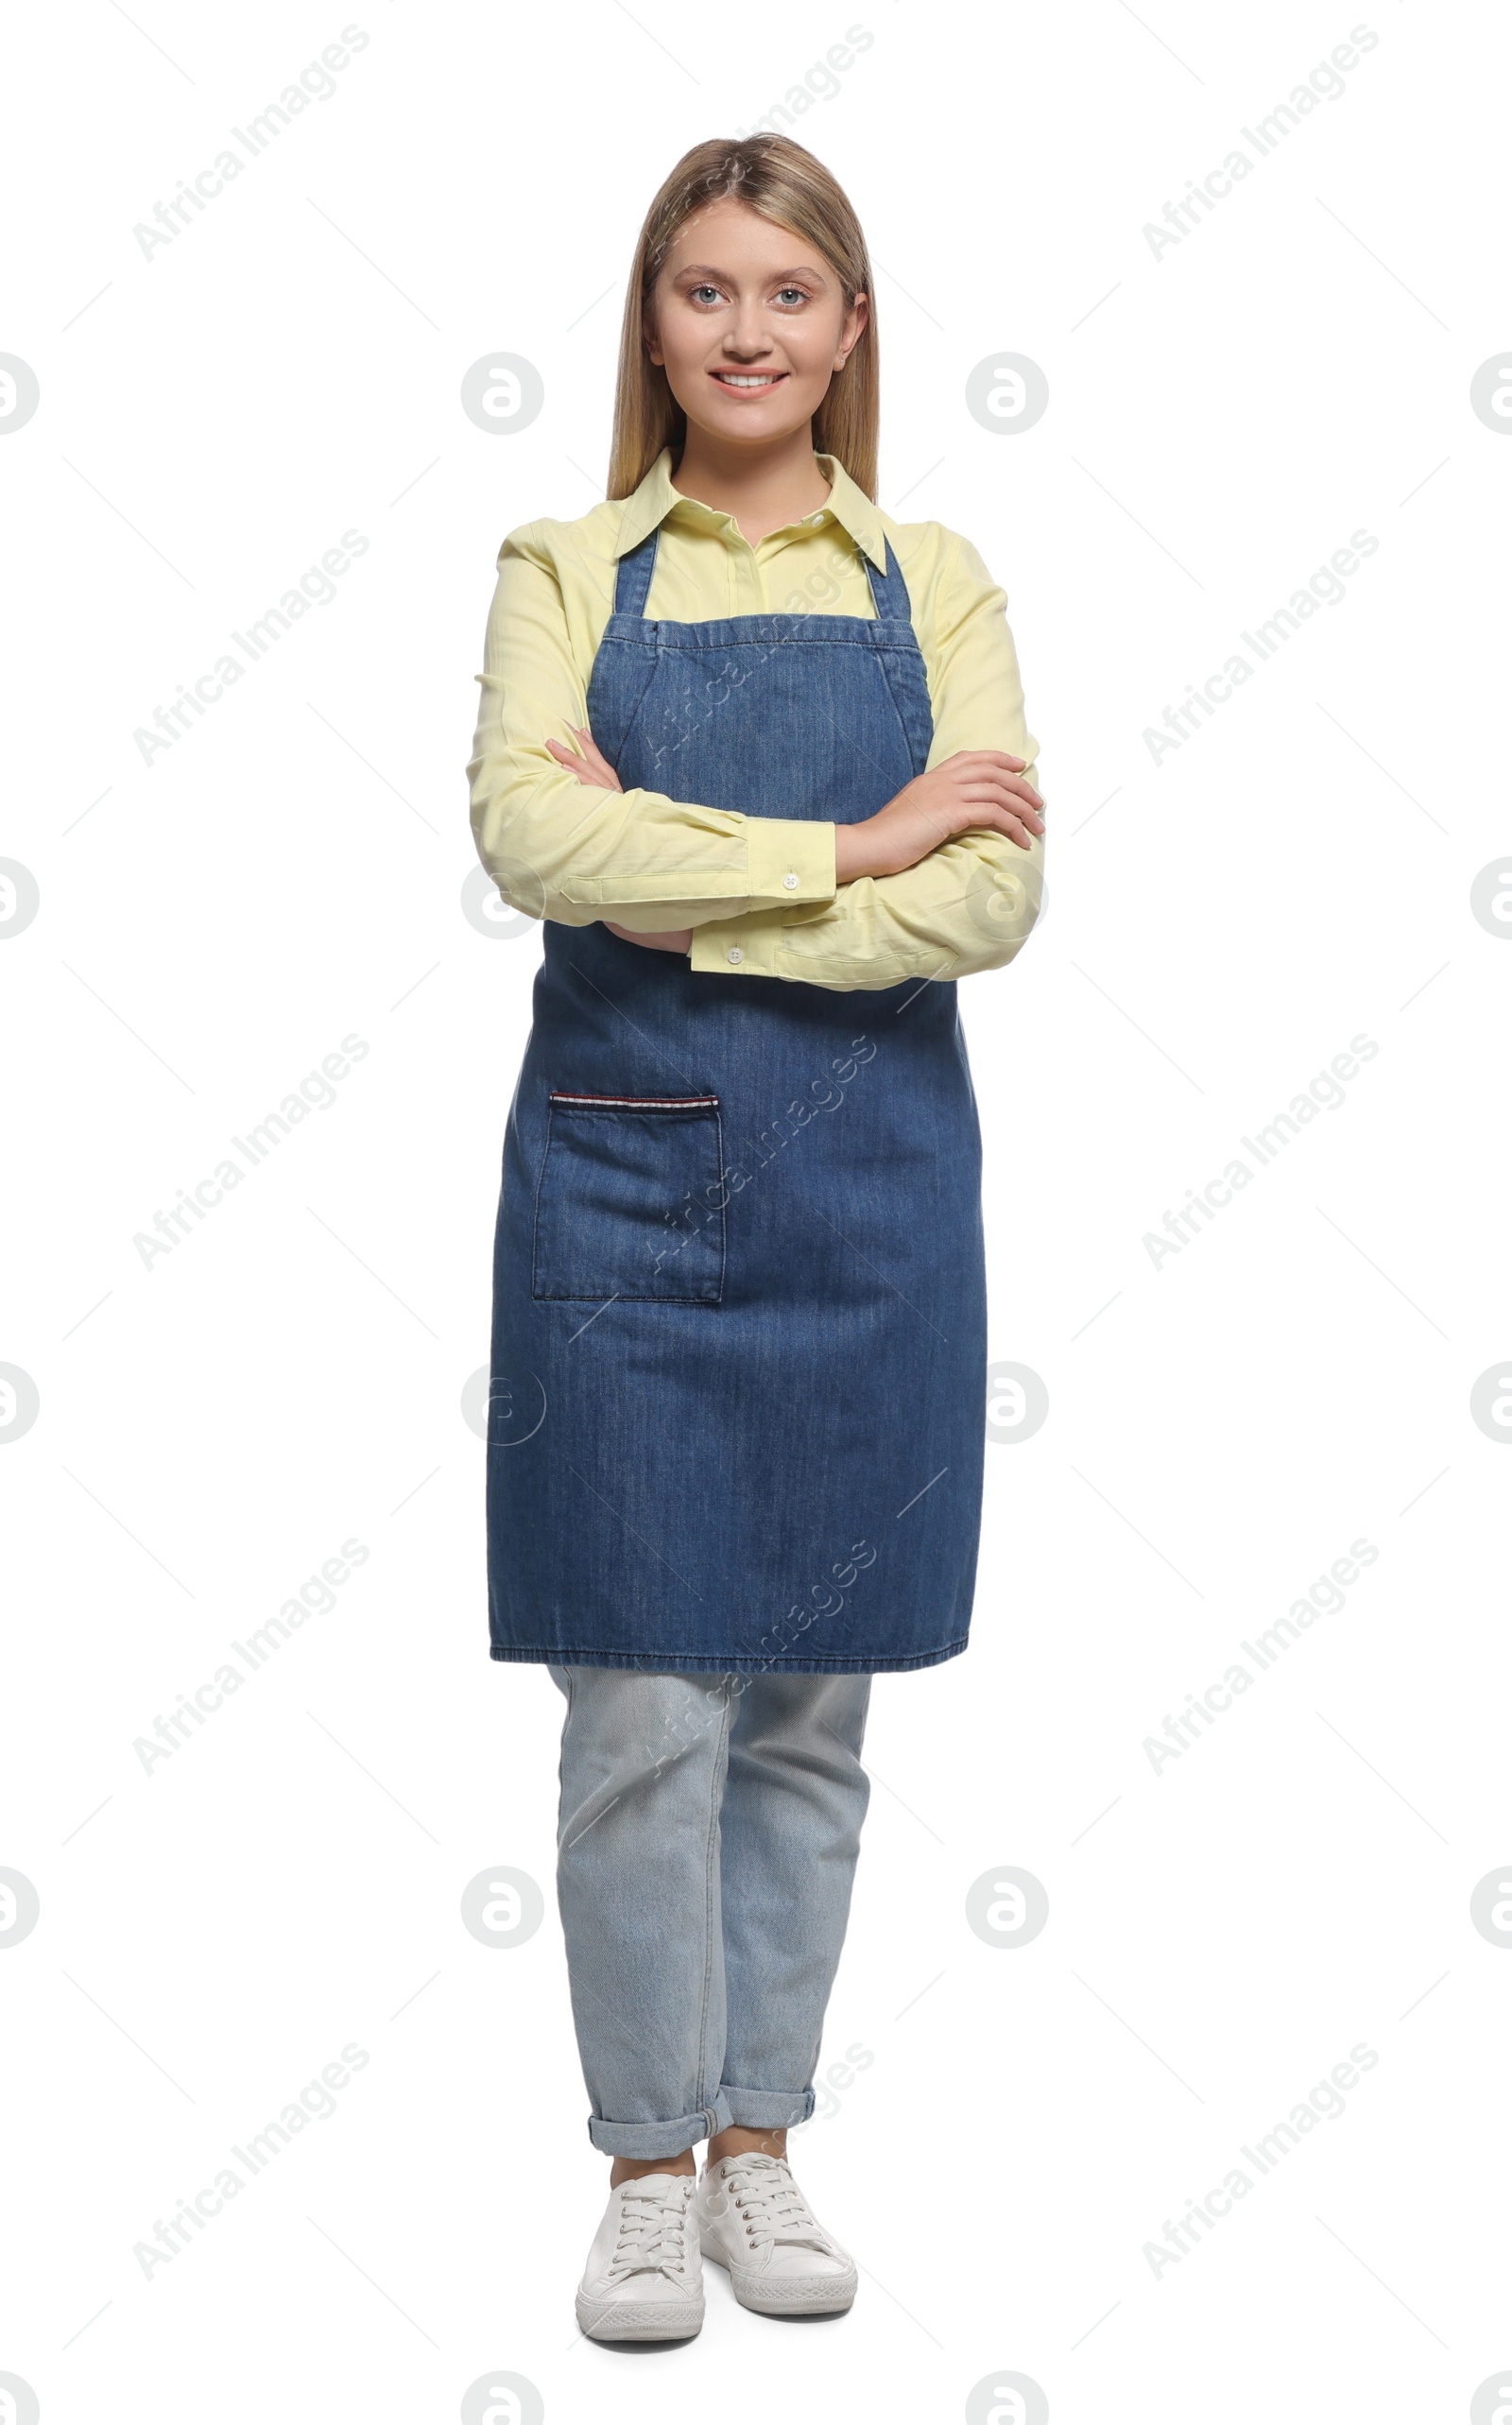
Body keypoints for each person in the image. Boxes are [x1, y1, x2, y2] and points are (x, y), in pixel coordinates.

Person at [466, 135, 1045, 2343]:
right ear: (652, 323)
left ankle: (758, 2142)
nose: (741, 329)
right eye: (700, 291)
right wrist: (852, 841)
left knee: (807, 1713)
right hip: (617, 1195)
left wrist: (681, 882)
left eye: (782, 293)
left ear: (849, 328)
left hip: (871, 1200)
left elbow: (990, 897)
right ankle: (640, 2156)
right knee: (637, 1711)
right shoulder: (558, 562)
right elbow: (530, 839)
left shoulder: (942, 575)